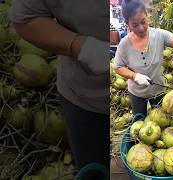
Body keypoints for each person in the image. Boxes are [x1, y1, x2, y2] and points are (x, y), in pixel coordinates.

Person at [10, 0, 108, 179]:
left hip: (150, 90)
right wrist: (82, 47)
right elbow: (25, 17)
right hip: (87, 99)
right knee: (95, 169)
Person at [113, 0, 173, 118]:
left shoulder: (159, 35)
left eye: (143, 22)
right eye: (135, 25)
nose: (141, 28)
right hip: (136, 94)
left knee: (162, 121)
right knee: (139, 121)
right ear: (127, 23)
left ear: (147, 16)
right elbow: (117, 67)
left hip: (159, 90)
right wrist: (135, 76)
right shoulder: (124, 44)